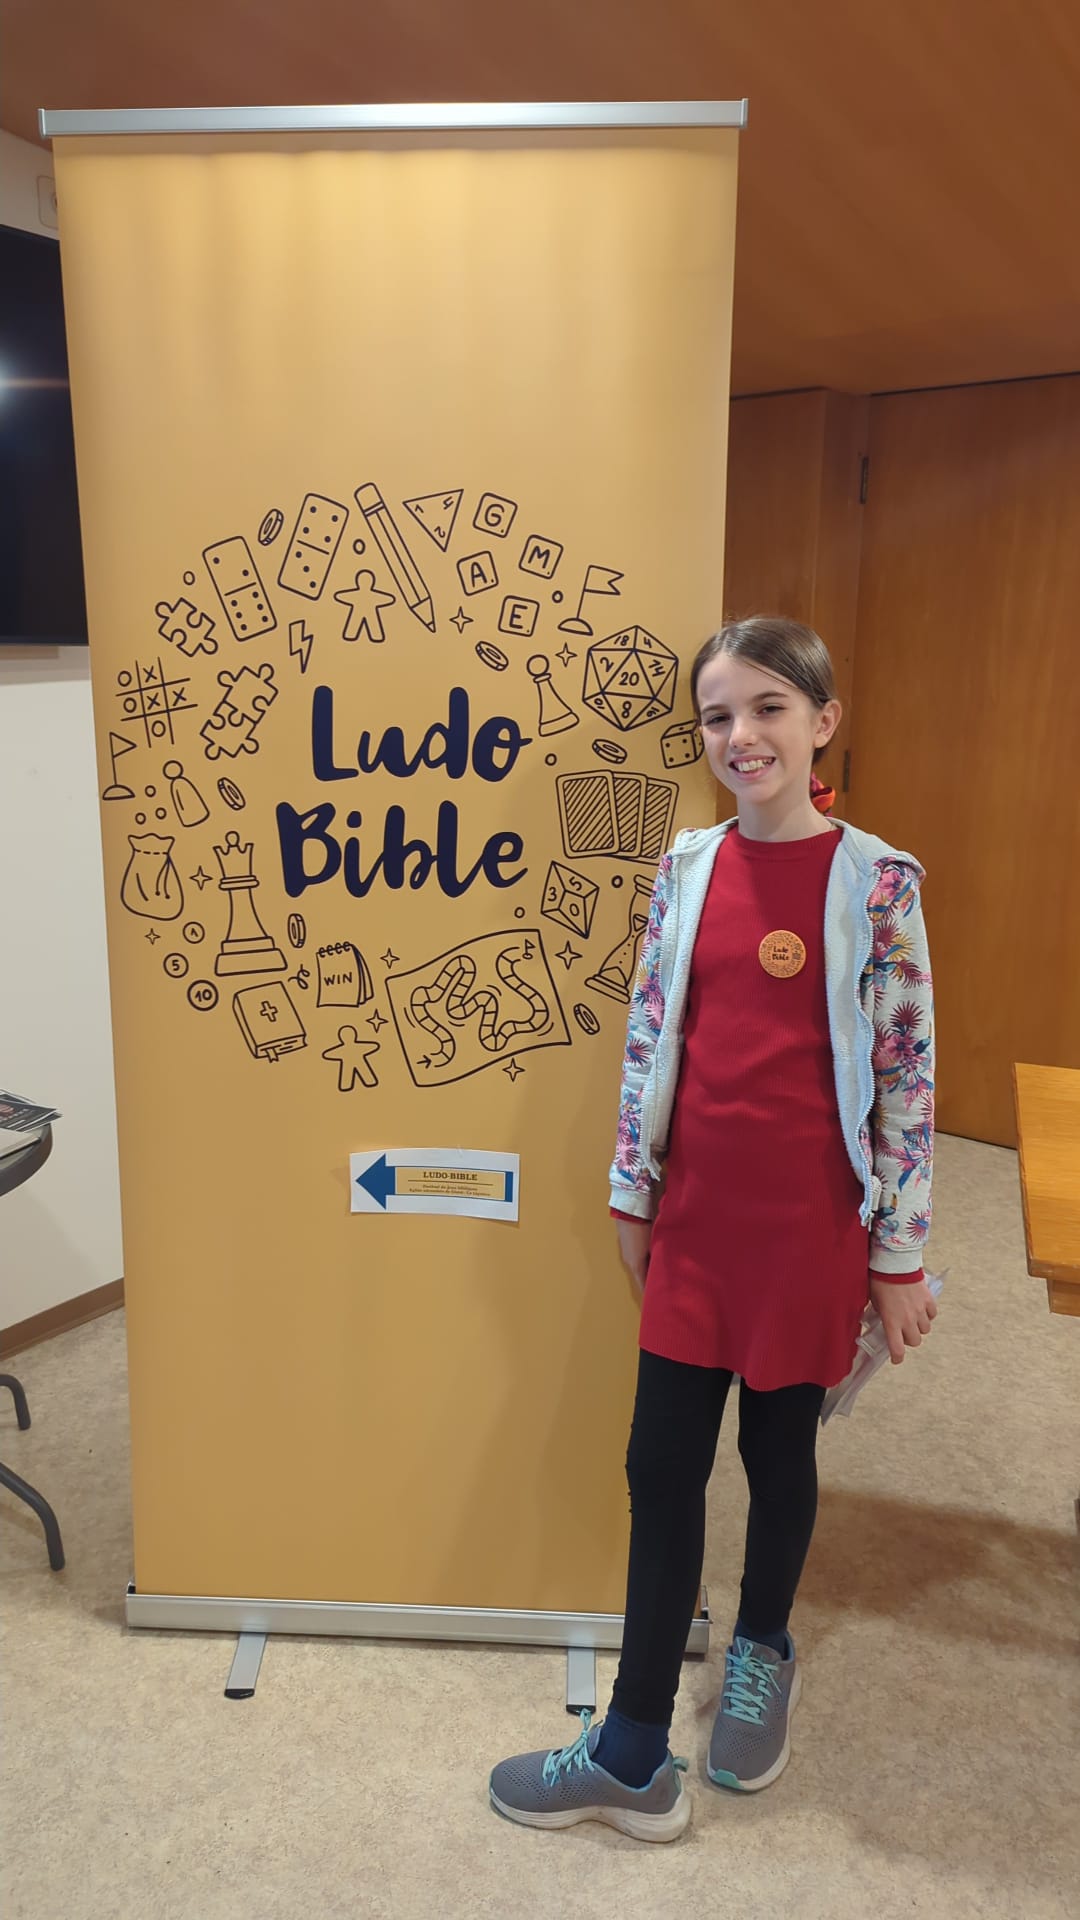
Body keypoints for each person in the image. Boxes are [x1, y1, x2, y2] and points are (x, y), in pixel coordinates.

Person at [489, 616, 937, 1843]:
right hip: (696, 1223)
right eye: (718, 716)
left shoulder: (878, 882)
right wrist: (633, 1194)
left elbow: (907, 1078)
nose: (742, 735)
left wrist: (897, 1255)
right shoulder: (685, 869)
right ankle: (632, 1750)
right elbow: (652, 1039)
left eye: (768, 708)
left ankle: (760, 1649)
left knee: (779, 1457)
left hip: (811, 1235)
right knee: (659, 1465)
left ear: (823, 722)